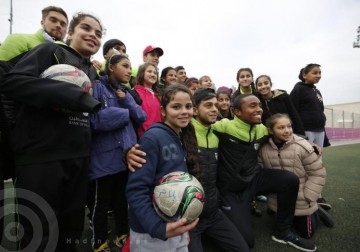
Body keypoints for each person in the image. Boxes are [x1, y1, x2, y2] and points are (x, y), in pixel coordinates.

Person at [0, 12, 103, 251]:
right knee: (38, 236)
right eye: (86, 29)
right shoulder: (50, 52)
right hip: (42, 159)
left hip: (78, 160)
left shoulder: (92, 72)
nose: (92, 35)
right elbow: (11, 83)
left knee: (71, 233)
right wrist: (71, 94)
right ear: (70, 33)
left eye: (98, 33)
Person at [211, 94, 317, 252]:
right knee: (247, 242)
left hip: (254, 179)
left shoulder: (262, 130)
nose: (259, 109)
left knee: (289, 180)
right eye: (252, 106)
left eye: (259, 105)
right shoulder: (223, 126)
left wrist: (305, 140)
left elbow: (283, 131)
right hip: (232, 190)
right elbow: (200, 127)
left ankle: (283, 231)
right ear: (237, 112)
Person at [0, 5, 69, 244]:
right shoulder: (19, 40)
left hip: (54, 143)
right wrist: (14, 131)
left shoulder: (67, 53)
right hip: (25, 140)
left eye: (63, 23)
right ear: (42, 22)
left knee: (57, 216)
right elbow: (5, 90)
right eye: (53, 20)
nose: (58, 25)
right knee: (32, 213)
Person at [126, 84, 199, 251]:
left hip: (176, 224)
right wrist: (157, 227)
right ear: (163, 111)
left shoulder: (184, 135)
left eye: (188, 106)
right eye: (176, 106)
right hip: (151, 233)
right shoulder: (153, 138)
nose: (184, 111)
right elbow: (136, 189)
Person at [89, 53, 146, 251]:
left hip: (127, 157)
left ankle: (123, 233)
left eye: (130, 67)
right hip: (105, 158)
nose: (129, 70)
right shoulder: (96, 87)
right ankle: (99, 242)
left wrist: (128, 103)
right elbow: (94, 119)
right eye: (125, 65)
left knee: (123, 199)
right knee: (102, 203)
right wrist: (124, 112)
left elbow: (141, 115)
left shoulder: (126, 93)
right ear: (111, 67)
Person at [188, 88, 248, 252]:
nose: (215, 109)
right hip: (188, 219)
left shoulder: (217, 132)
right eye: (208, 105)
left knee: (245, 247)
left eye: (216, 105)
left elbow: (249, 128)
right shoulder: (183, 133)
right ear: (194, 110)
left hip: (213, 212)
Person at [258, 113, 328, 240]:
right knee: (281, 225)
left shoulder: (303, 147)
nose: (287, 131)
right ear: (270, 130)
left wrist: (308, 196)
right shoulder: (264, 148)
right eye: (281, 127)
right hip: (279, 199)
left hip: (301, 197)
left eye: (289, 126)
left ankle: (317, 211)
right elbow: (263, 174)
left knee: (306, 234)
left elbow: (318, 173)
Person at [290, 63, 331, 210]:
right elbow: (292, 111)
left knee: (318, 162)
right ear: (304, 75)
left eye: (320, 72)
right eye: (315, 72)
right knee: (305, 164)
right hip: (305, 131)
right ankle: (301, 195)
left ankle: (317, 195)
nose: (318, 75)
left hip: (319, 130)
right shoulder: (298, 89)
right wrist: (298, 132)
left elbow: (319, 109)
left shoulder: (316, 90)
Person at [134, 62, 162, 137]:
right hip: (145, 137)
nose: (153, 75)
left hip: (160, 135)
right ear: (142, 73)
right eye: (149, 71)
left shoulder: (158, 95)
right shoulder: (135, 92)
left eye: (155, 73)